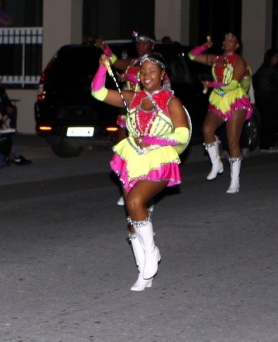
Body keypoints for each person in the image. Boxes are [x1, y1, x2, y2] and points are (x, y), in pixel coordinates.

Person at [91, 52, 190, 292]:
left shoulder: (171, 101)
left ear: (162, 75)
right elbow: (98, 92)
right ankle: (143, 272)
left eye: (152, 71)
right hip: (132, 159)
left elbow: (183, 134)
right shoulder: (132, 97)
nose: (146, 75)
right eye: (143, 71)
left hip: (159, 160)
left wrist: (153, 140)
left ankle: (151, 252)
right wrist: (103, 68)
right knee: (133, 218)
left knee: (135, 202)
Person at [188, 33, 253, 193]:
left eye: (231, 40)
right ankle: (217, 164)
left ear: (237, 45)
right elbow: (191, 56)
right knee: (207, 129)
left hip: (235, 99)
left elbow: (233, 84)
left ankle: (235, 181)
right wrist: (204, 46)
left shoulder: (239, 61)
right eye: (225, 40)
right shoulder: (216, 59)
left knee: (232, 141)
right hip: (218, 98)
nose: (227, 42)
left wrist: (211, 84)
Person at [98, 31, 157, 205]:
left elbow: (155, 83)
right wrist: (104, 48)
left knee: (142, 152)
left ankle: (145, 193)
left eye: (144, 43)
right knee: (122, 150)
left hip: (143, 110)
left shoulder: (154, 63)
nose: (140, 46)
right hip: (127, 110)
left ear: (152, 45)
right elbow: (116, 61)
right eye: (138, 43)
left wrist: (128, 76)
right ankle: (128, 187)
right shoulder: (132, 62)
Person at [253, 49, 278, 153]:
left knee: (268, 122)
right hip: (268, 99)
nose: (277, 59)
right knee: (268, 122)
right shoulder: (267, 70)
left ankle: (268, 145)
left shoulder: (263, 69)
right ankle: (266, 145)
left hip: (265, 99)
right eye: (275, 57)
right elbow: (276, 80)